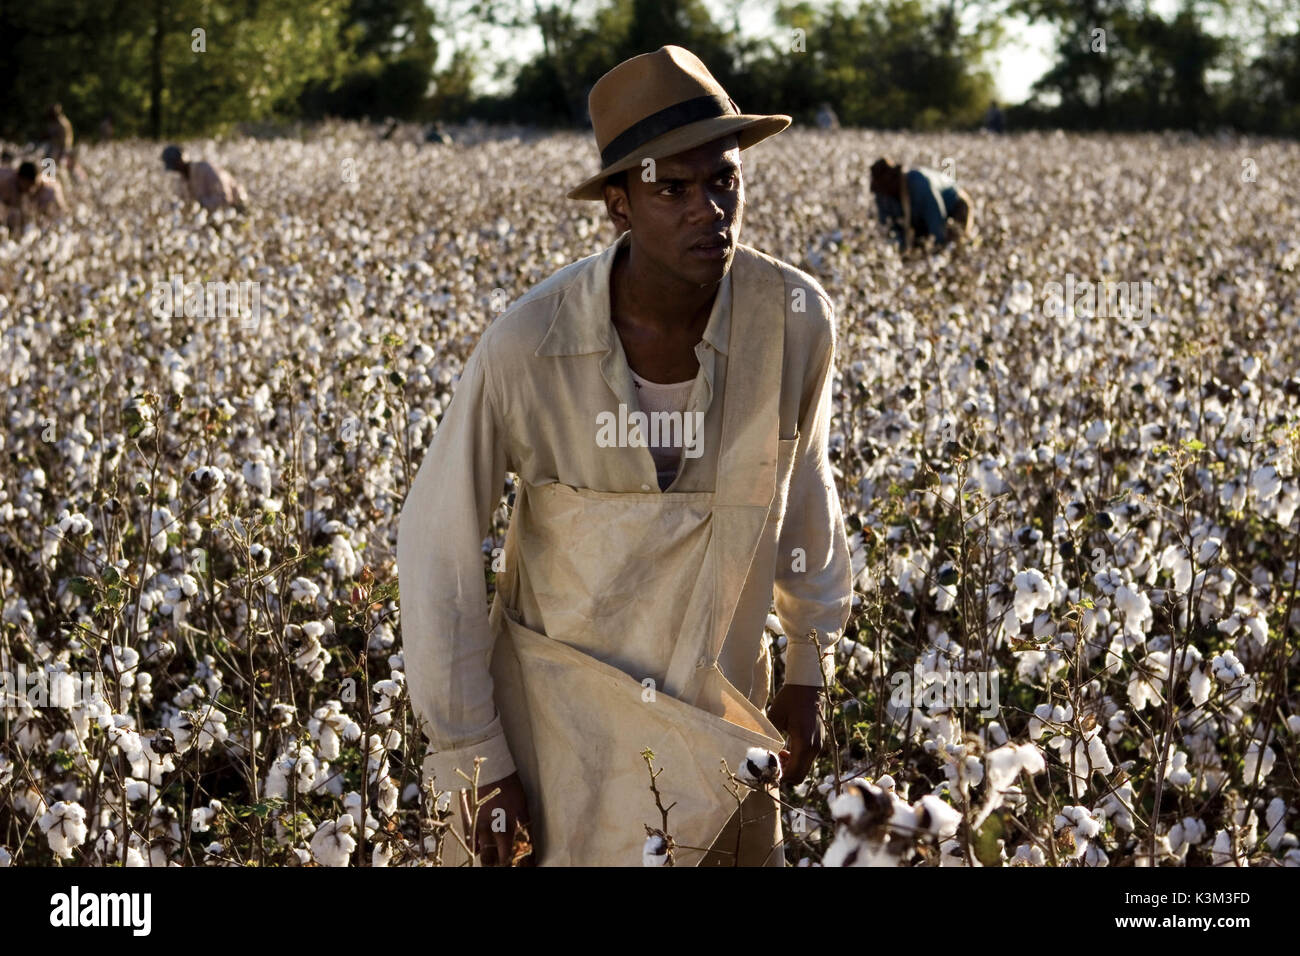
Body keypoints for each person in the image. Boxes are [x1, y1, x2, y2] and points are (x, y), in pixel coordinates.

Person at [397, 45, 854, 867]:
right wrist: (474, 760)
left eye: (724, 180)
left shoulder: (793, 322)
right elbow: (439, 552)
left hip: (721, 729)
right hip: (557, 739)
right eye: (671, 189)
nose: (708, 209)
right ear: (618, 205)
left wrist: (809, 664)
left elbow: (808, 494)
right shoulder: (527, 347)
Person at [869, 156, 975, 252]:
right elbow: (889, 227)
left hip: (956, 204)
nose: (882, 192)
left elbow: (936, 221)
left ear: (893, 180)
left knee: (954, 245)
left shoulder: (919, 183)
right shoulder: (883, 195)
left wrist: (939, 249)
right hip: (922, 219)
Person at [161, 145, 247, 212]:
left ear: (181, 160)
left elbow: (224, 198)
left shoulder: (206, 169)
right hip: (215, 214)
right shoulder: (183, 179)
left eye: (175, 165)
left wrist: (201, 204)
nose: (176, 169)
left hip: (237, 206)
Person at [0, 160, 67, 230]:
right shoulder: (6, 181)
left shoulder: (46, 188)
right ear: (21, 179)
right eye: (29, 185)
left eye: (33, 185)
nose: (31, 189)